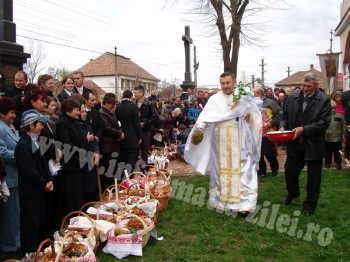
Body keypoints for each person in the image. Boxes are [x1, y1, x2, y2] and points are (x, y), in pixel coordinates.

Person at [184, 72, 262, 214]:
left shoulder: (244, 97)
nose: (225, 86)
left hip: (239, 140)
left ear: (234, 82)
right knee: (221, 169)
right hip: (219, 141)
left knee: (242, 169)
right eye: (223, 83)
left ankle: (244, 204)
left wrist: (248, 115)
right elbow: (205, 115)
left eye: (228, 83)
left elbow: (256, 116)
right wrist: (200, 128)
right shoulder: (214, 99)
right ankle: (222, 201)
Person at [279, 73, 331, 215]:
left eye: (308, 86)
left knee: (314, 178)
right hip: (295, 143)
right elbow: (284, 115)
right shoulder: (292, 97)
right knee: (289, 171)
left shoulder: (323, 100)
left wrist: (304, 129)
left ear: (316, 85)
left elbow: (324, 122)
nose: (305, 88)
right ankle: (293, 193)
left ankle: (310, 204)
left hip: (314, 144)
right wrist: (283, 126)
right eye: (303, 85)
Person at [14, 109, 53, 255]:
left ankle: (41, 249)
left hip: (39, 190)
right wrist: (43, 183)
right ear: (31, 125)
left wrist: (48, 179)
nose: (42, 126)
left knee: (39, 219)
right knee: (30, 222)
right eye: (40, 124)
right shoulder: (23, 145)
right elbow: (29, 171)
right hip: (30, 191)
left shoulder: (35, 141)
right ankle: (30, 252)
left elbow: (43, 164)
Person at [0, 97, 20, 252]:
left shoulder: (11, 126)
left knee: (15, 211)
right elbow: (2, 152)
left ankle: (15, 240)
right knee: (9, 214)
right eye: (12, 112)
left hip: (16, 176)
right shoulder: (0, 128)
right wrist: (21, 155)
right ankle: (9, 245)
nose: (14, 115)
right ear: (2, 113)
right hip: (8, 176)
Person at [253, 86, 282, 178]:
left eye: (254, 94)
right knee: (259, 153)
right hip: (257, 133)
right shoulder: (252, 104)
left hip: (269, 133)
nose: (253, 96)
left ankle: (274, 169)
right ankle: (262, 171)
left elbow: (280, 115)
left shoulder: (270, 103)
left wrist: (271, 123)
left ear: (261, 94)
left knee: (269, 153)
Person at [99, 93, 124, 187]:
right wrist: (119, 134)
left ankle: (112, 188)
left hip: (114, 146)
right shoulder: (102, 112)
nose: (113, 105)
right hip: (107, 147)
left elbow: (118, 124)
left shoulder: (111, 112)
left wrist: (120, 132)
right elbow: (107, 127)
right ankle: (106, 190)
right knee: (107, 171)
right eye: (111, 103)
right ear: (106, 102)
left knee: (113, 170)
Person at [116, 90, 142, 172]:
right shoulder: (133, 107)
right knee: (131, 160)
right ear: (131, 97)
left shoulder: (118, 107)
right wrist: (139, 136)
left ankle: (122, 179)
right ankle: (129, 180)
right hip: (132, 137)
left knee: (123, 159)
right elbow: (137, 124)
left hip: (121, 137)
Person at [133, 85, 158, 164]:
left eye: (135, 92)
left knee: (144, 150)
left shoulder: (149, 104)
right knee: (136, 151)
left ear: (141, 93)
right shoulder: (133, 104)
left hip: (146, 131)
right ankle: (136, 170)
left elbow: (155, 117)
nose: (134, 94)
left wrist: (145, 123)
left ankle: (145, 169)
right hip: (136, 131)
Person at [324, 100, 346, 169]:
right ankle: (327, 163)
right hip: (327, 137)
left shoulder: (340, 116)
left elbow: (344, 125)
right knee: (328, 152)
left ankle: (338, 163)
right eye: (331, 108)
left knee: (338, 152)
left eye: (334, 108)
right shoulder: (325, 117)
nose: (332, 110)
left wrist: (343, 134)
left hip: (337, 137)